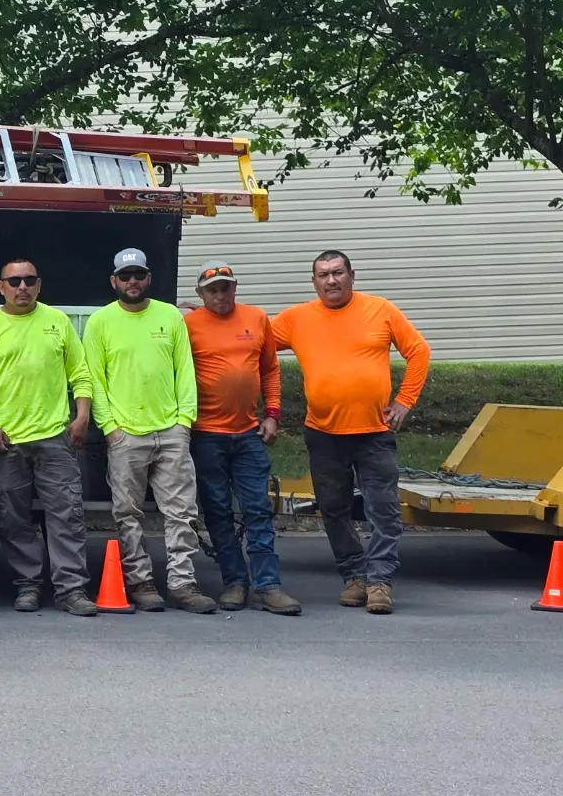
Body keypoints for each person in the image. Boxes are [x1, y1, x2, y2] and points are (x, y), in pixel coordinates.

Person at [270, 250, 430, 615]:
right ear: (314, 282)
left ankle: (380, 583)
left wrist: (404, 401)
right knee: (334, 510)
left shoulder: (381, 310)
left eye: (338, 272)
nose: (331, 280)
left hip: (374, 432)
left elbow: (418, 351)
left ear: (351, 276)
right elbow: (251, 340)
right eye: (323, 274)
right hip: (323, 433)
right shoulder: (297, 318)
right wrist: (203, 318)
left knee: (383, 511)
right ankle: (355, 578)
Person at [83, 248, 216, 613]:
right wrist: (110, 428)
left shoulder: (169, 316)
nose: (132, 282)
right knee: (127, 513)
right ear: (114, 281)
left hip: (171, 431)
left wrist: (184, 421)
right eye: (125, 276)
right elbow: (95, 379)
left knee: (181, 512)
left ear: (148, 279)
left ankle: (183, 583)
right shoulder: (100, 322)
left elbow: (184, 371)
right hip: (126, 433)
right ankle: (140, 581)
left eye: (138, 275)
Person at [0, 259, 97, 616]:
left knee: (67, 514)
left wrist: (82, 417)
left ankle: (71, 590)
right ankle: (28, 584)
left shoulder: (57, 321)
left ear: (39, 285)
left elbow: (81, 372)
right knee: (12, 517)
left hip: (55, 436)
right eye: (14, 281)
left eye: (29, 280)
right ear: (1, 286)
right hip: (7, 441)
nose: (22, 287)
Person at [184, 261, 302, 615]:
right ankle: (234, 583)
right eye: (212, 290)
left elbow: (270, 370)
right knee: (218, 511)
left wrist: (273, 414)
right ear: (200, 294)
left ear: (235, 288)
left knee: (258, 510)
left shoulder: (257, 318)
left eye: (226, 287)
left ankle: (268, 586)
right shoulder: (187, 325)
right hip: (205, 435)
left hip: (249, 432)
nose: (220, 295)